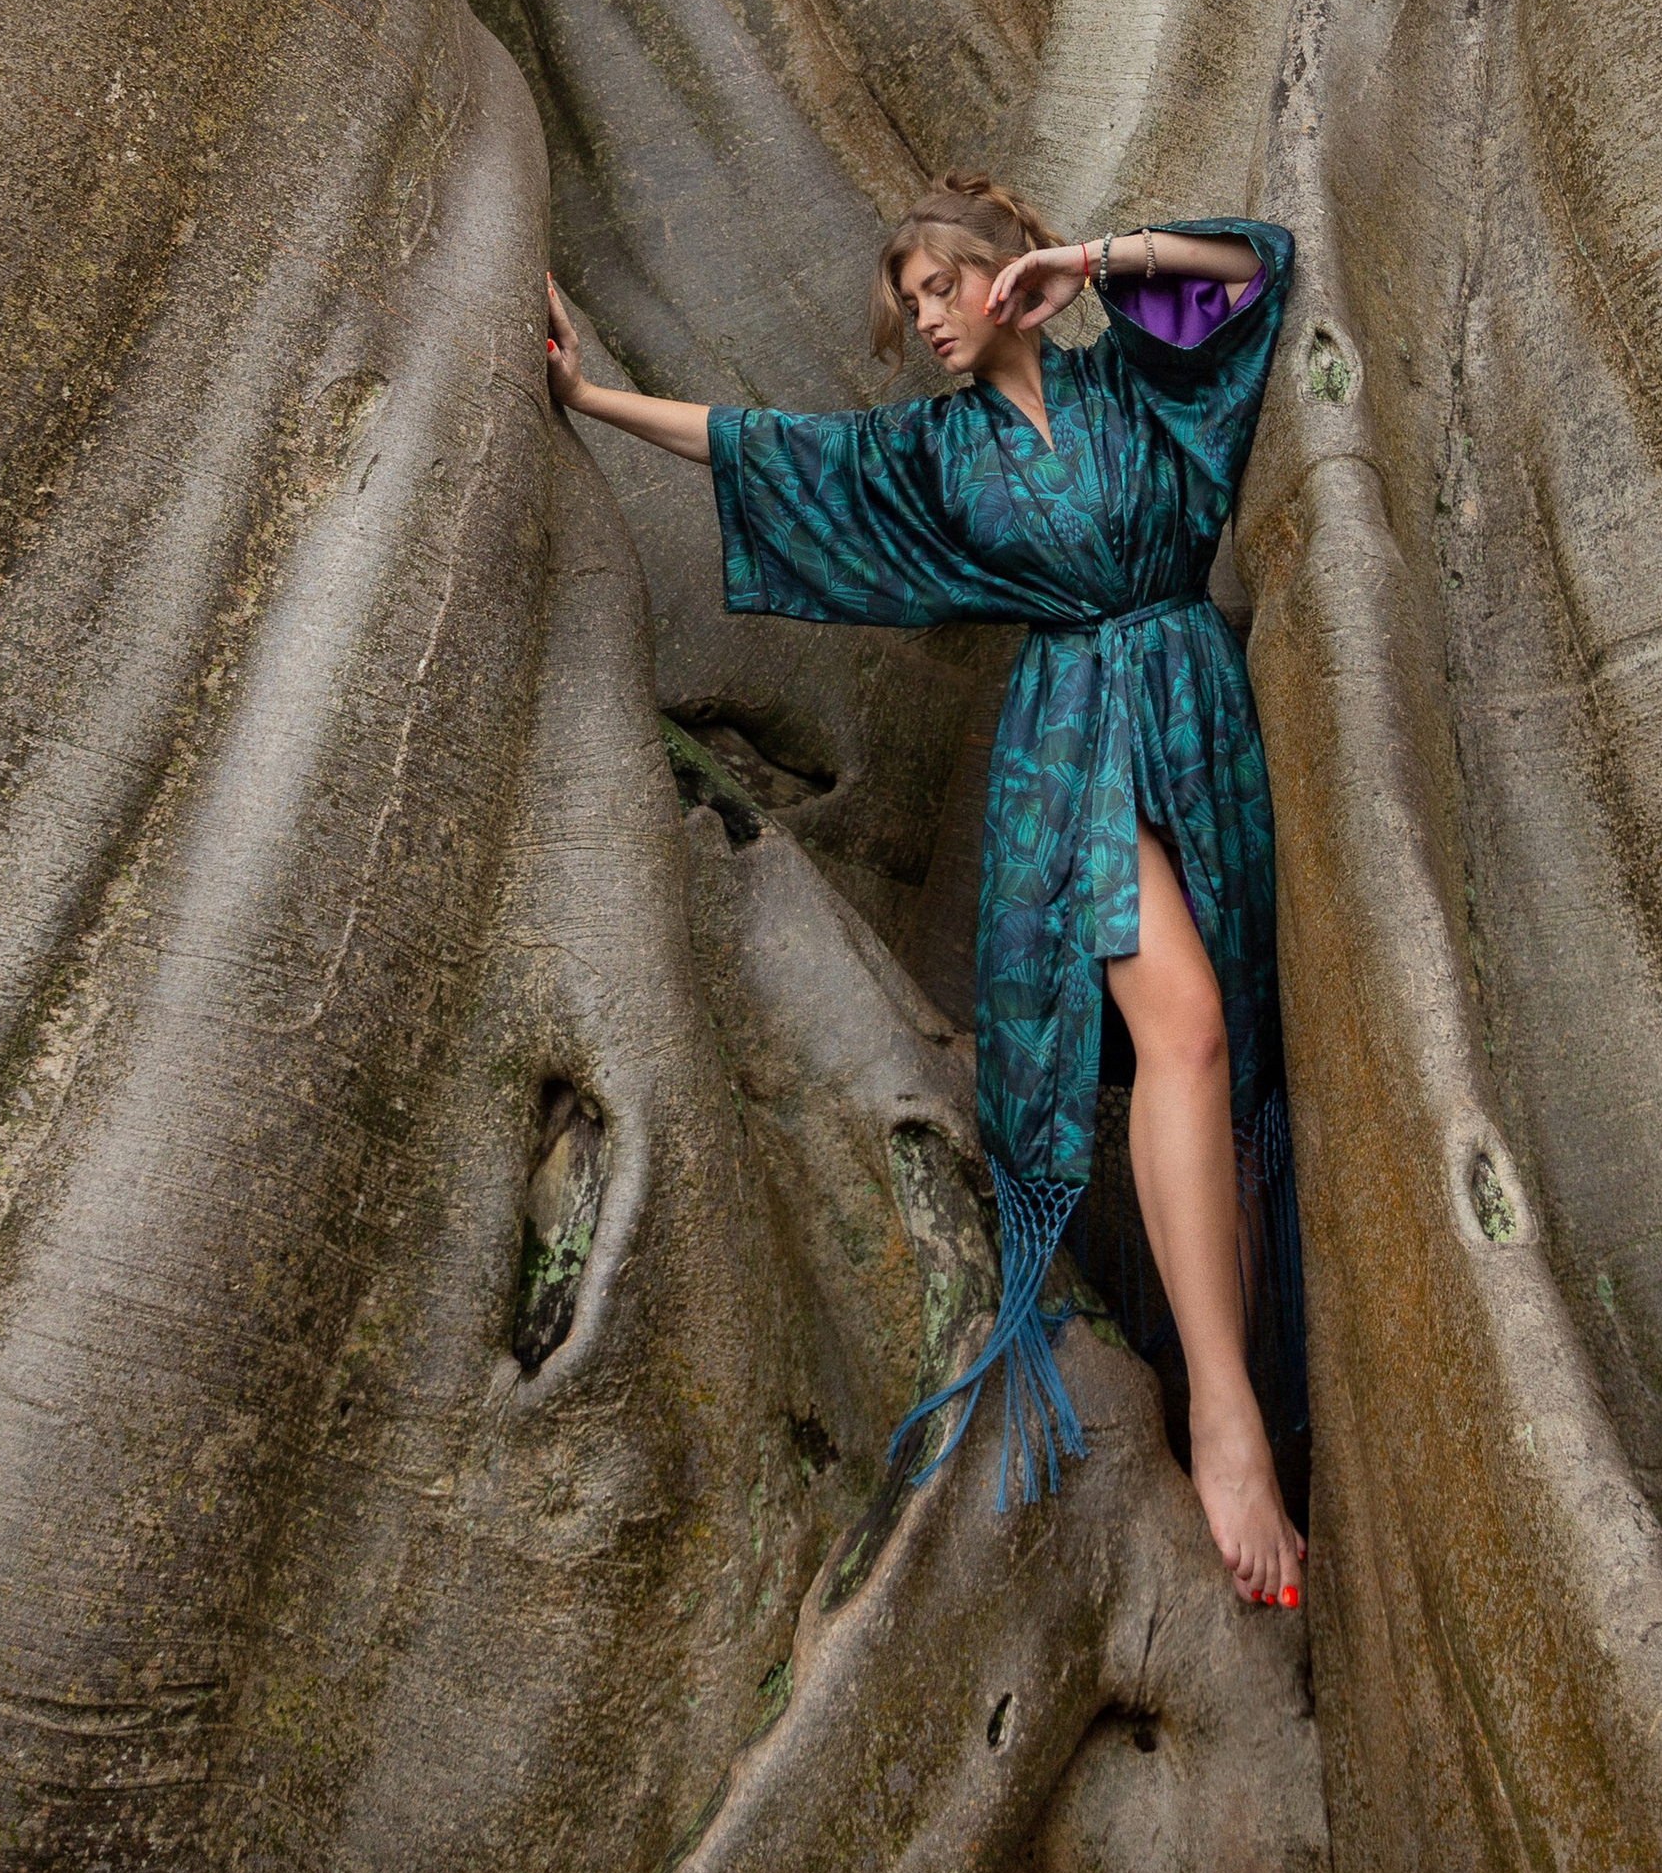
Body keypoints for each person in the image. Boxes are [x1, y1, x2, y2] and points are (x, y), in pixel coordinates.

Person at [542, 174, 1306, 1609]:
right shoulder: (934, 455)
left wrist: (1086, 259)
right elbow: (776, 453)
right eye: (909, 305)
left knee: (1212, 1052)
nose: (926, 318)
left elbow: (1251, 272)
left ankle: (1238, 1378)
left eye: (941, 286)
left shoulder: (1136, 379)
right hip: (1073, 745)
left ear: (1002, 273)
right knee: (1185, 1029)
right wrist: (593, 402)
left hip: (1195, 717)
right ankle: (1224, 1418)